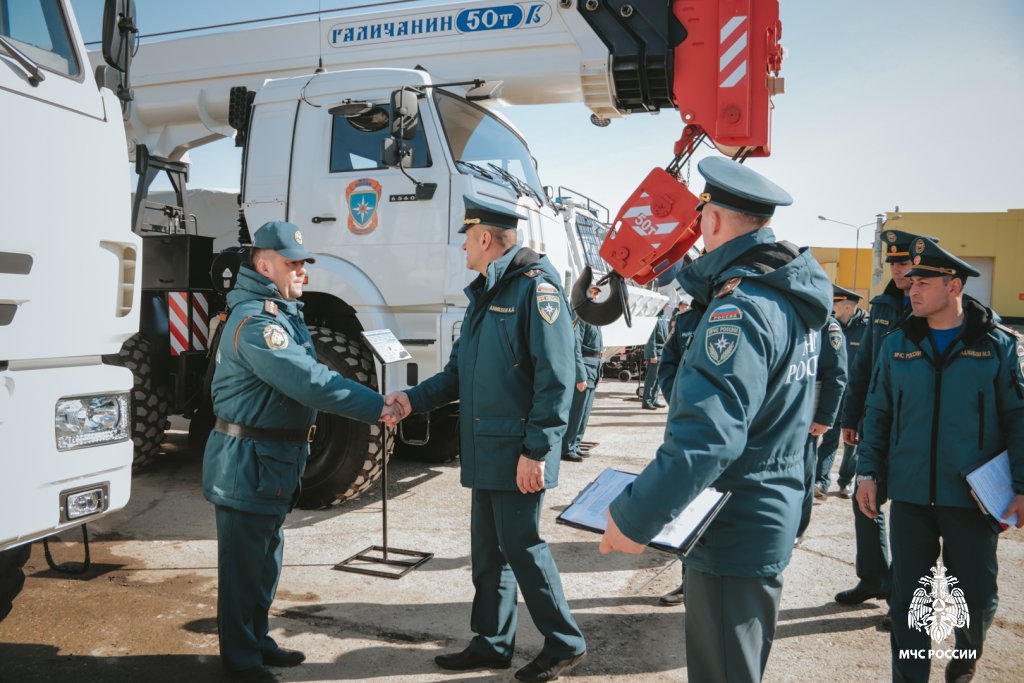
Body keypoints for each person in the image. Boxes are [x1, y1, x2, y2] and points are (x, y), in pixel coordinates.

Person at [599, 157, 832, 683]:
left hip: (734, 520)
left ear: (715, 220)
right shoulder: (785, 297)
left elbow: (709, 438)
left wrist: (633, 518)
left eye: (701, 216)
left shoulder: (739, 309)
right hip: (766, 506)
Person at [385, 197, 587, 683]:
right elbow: (457, 374)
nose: (462, 248)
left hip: (519, 453)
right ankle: (493, 643)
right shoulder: (485, 294)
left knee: (523, 548)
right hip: (488, 450)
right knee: (489, 554)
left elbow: (556, 379)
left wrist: (537, 451)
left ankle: (565, 643)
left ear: (483, 238)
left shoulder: (536, 290)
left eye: (466, 239)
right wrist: (411, 401)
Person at [203, 221, 395, 683]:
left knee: (265, 563)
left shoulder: (281, 314)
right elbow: (311, 381)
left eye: (304, 263)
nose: (303, 272)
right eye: (293, 264)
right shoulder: (256, 323)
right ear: (264, 265)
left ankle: (258, 640)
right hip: (246, 463)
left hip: (271, 463)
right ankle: (241, 660)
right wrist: (378, 406)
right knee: (243, 569)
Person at [855, 237, 1024, 683]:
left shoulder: (998, 346)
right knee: (909, 601)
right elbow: (878, 412)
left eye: (923, 283)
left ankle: (963, 663)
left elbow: (1019, 419)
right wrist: (868, 471)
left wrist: (1022, 485)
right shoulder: (896, 344)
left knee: (977, 597)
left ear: (954, 286)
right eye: (911, 282)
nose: (912, 290)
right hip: (910, 494)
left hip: (972, 499)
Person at [837, 229, 927, 610]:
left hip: (915, 429)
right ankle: (874, 577)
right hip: (877, 423)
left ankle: (902, 601)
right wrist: (851, 415)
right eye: (893, 263)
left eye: (903, 262)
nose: (897, 270)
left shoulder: (930, 306)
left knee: (911, 519)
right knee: (865, 499)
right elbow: (864, 366)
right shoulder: (883, 305)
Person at [655, 295, 701, 606]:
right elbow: (668, 363)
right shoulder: (686, 320)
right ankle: (689, 583)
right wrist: (678, 400)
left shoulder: (740, 311)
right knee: (687, 504)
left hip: (727, 430)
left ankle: (705, 585)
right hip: (684, 425)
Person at [815, 285, 869, 498]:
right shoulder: (830, 325)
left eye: (835, 303)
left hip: (856, 396)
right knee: (828, 437)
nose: (831, 306)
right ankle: (821, 481)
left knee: (851, 443)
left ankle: (845, 481)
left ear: (847, 306)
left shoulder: (867, 328)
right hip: (835, 392)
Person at [797, 313, 847, 540]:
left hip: (808, 414)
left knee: (803, 471)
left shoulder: (826, 324)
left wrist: (825, 417)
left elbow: (836, 374)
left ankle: (798, 527)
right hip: (783, 410)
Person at [562, 285, 604, 462]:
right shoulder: (579, 314)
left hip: (593, 367)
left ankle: (576, 444)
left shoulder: (592, 315)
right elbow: (575, 346)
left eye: (596, 294)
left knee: (584, 412)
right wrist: (580, 375)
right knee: (576, 412)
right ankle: (567, 447)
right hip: (585, 368)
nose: (595, 297)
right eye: (592, 293)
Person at [641, 308, 669, 409]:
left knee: (658, 379)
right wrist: (653, 355)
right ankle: (647, 401)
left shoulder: (663, 318)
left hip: (662, 352)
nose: (667, 306)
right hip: (655, 353)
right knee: (651, 379)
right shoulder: (653, 319)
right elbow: (651, 339)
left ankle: (654, 399)